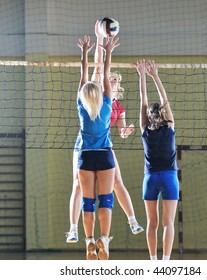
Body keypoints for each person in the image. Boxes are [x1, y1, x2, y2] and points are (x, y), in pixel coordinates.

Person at [66, 21, 143, 244]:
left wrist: (128, 131)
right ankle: (73, 229)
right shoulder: (101, 95)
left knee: (117, 182)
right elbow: (99, 67)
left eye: (115, 81)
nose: (111, 80)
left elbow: (123, 133)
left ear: (118, 86)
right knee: (78, 184)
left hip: (103, 145)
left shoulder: (116, 107)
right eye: (110, 79)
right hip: (87, 144)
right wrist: (100, 38)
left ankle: (132, 220)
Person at [76, 33, 119, 260]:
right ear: (100, 95)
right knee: (106, 199)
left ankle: (89, 241)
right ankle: (104, 239)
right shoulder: (106, 107)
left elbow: (84, 76)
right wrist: (107, 50)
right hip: (104, 156)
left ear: (83, 96)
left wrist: (84, 51)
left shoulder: (82, 108)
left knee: (88, 201)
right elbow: (107, 74)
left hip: (85, 156)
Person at [134, 59, 179, 260]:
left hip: (150, 178)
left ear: (148, 117)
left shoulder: (145, 130)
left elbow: (143, 99)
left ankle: (153, 263)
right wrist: (155, 76)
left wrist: (141, 75)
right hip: (169, 178)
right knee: (168, 222)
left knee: (152, 223)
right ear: (162, 114)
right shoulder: (169, 127)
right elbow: (165, 98)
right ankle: (165, 264)